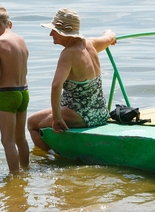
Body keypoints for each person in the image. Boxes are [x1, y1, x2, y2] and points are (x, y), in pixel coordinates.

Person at [27, 8, 116, 151]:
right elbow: (110, 36)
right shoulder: (91, 44)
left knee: (32, 123)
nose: (51, 34)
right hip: (100, 113)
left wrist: (57, 119)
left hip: (81, 116)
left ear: (65, 32)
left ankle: (51, 160)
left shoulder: (68, 54)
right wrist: (108, 33)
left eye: (54, 30)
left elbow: (56, 86)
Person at [0, 6, 31, 172]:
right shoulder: (21, 40)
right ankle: (26, 169)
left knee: (7, 140)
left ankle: (15, 178)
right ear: (10, 24)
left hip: (8, 94)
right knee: (20, 137)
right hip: (24, 91)